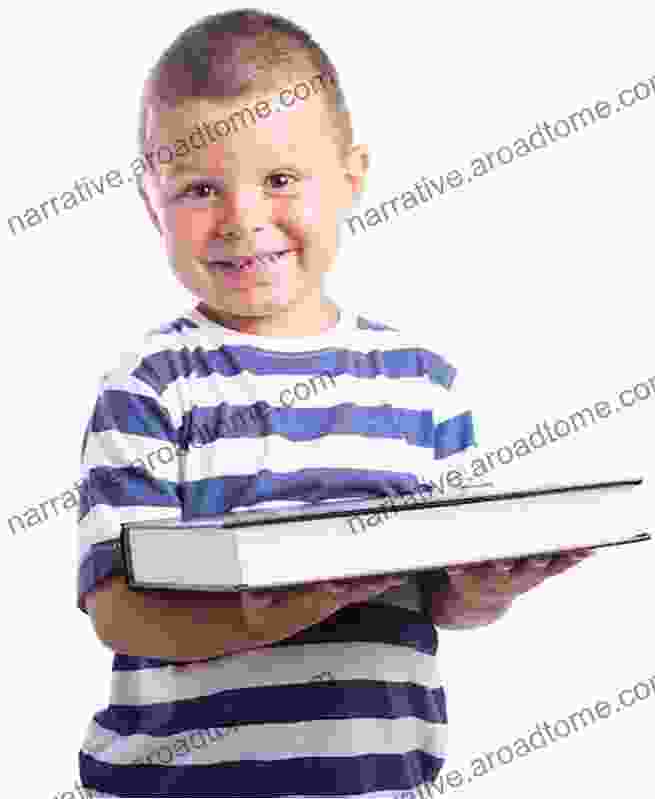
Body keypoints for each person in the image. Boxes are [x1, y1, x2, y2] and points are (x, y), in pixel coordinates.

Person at [76, 9, 591, 798]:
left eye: (280, 179)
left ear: (353, 175)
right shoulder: (148, 383)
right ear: (151, 203)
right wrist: (268, 613)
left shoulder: (424, 383)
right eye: (199, 189)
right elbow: (117, 610)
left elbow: (443, 598)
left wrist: (483, 593)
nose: (244, 219)